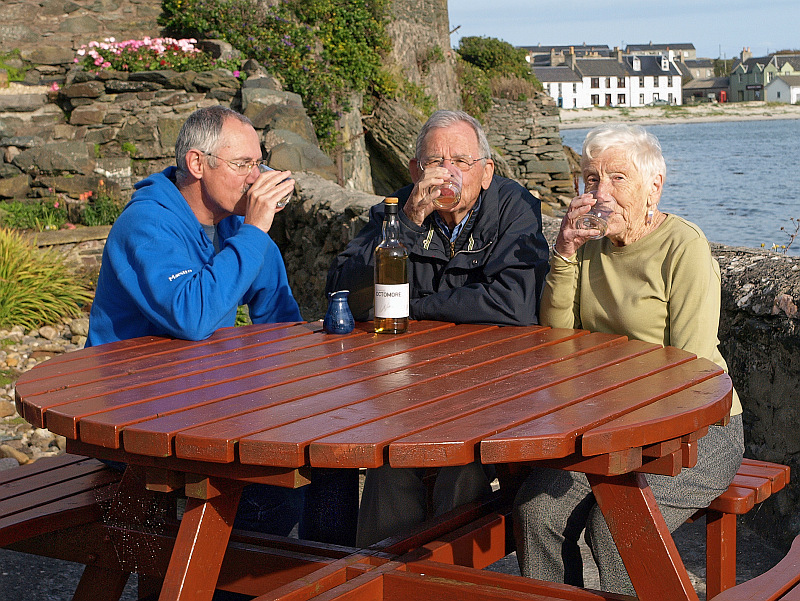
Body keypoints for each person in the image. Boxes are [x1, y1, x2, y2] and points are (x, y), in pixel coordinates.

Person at [86, 105, 357, 543]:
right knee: (266, 494)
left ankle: (327, 581)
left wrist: (305, 396)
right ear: (197, 164)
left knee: (333, 459)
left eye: (258, 163)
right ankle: (238, 583)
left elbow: (279, 322)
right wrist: (255, 232)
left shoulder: (236, 226)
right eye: (243, 165)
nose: (256, 177)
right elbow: (192, 317)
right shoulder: (147, 224)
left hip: (206, 405)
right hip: (134, 419)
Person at [512, 124, 744, 595]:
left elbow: (692, 371)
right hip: (606, 425)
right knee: (535, 511)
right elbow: (556, 339)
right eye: (591, 179)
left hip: (699, 426)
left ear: (653, 187)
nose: (601, 194)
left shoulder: (684, 248)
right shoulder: (587, 244)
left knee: (617, 530)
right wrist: (565, 253)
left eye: (617, 179)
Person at [326, 109, 550, 547]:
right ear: (415, 171)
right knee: (390, 466)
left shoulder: (515, 209)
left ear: (485, 172)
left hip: (493, 386)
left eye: (461, 163)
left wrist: (416, 307)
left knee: (458, 465)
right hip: (410, 389)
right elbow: (341, 287)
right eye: (435, 162)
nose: (447, 173)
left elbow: (514, 303)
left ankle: (451, 580)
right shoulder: (399, 210)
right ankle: (378, 582)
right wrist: (407, 222)